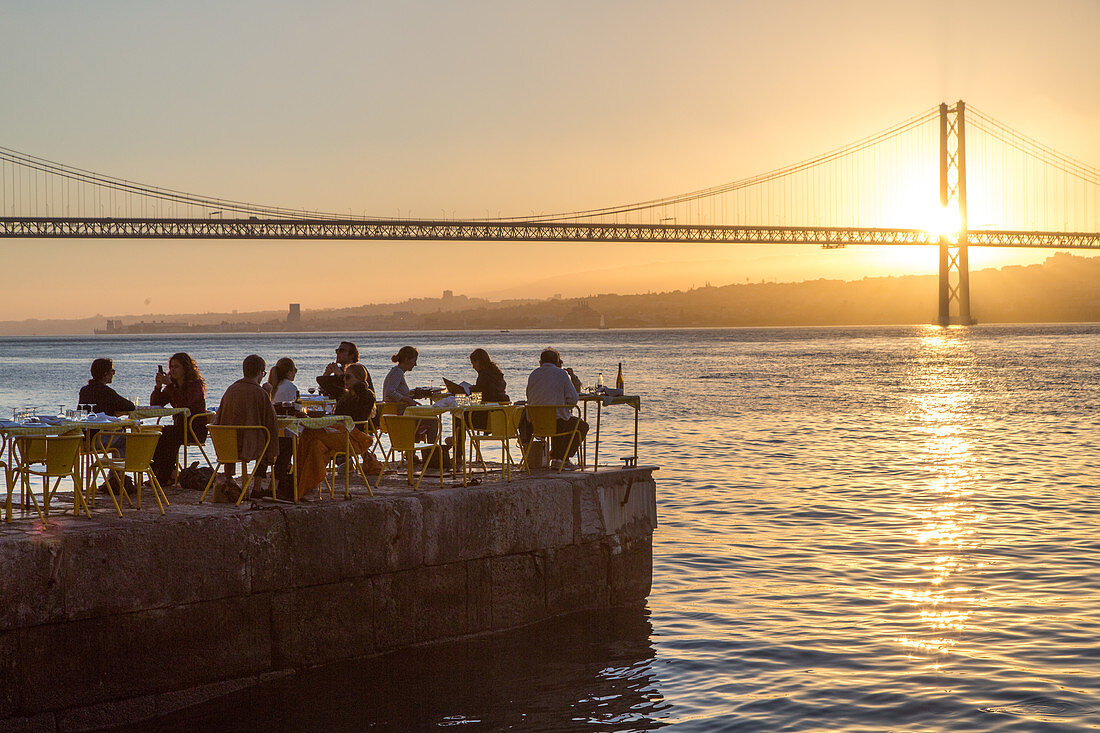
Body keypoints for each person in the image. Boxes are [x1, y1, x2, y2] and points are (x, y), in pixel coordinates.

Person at [295, 363, 382, 497]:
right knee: (316, 445)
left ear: (359, 379)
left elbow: (358, 413)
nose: (344, 381)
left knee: (310, 432)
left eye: (348, 377)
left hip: (353, 438)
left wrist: (343, 375)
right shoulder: (344, 395)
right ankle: (309, 488)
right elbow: (322, 381)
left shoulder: (366, 395)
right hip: (337, 435)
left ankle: (301, 486)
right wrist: (332, 374)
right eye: (344, 378)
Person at [213, 354, 279, 497]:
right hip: (250, 446)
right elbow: (271, 421)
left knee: (264, 436)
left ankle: (230, 478)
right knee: (270, 439)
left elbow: (219, 417)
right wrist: (268, 394)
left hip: (228, 445)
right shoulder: (260, 393)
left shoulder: (231, 390)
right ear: (260, 372)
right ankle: (257, 486)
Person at [521, 347, 589, 470]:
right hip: (557, 424)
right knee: (582, 426)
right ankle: (562, 459)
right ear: (557, 362)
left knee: (560, 418)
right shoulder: (561, 374)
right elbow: (573, 399)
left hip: (535, 424)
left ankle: (557, 458)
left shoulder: (533, 374)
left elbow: (529, 395)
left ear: (540, 361)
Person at [150, 352, 208, 486]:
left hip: (195, 429)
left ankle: (164, 477)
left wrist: (170, 385)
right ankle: (159, 473)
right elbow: (156, 404)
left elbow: (183, 402)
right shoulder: (173, 385)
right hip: (180, 428)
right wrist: (158, 387)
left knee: (168, 434)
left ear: (185, 368)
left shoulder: (195, 385)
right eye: (171, 367)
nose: (173, 370)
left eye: (176, 367)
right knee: (157, 434)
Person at [383, 345, 440, 458]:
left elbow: (395, 392)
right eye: (414, 361)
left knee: (423, 418)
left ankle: (412, 454)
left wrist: (412, 394)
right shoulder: (397, 372)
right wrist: (407, 399)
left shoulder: (397, 372)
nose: (415, 364)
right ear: (406, 359)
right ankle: (430, 454)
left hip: (400, 413)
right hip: (400, 416)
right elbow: (389, 393)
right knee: (433, 421)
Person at [467, 348, 509, 432]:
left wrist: (469, 391)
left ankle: (457, 443)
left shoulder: (483, 376)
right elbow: (488, 391)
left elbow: (478, 398)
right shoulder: (497, 374)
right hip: (500, 417)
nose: (473, 367)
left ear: (478, 361)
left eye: (473, 363)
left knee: (458, 417)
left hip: (486, 419)